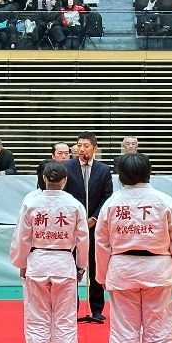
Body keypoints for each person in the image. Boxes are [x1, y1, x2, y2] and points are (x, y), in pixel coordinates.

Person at [95, 153, 172, 343]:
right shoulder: (164, 200)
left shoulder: (113, 203)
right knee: (159, 326)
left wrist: (103, 276)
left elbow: (102, 242)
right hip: (157, 268)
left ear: (122, 176)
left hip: (122, 268)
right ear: (148, 172)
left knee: (124, 327)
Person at [8, 160, 87, 343]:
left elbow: (22, 237)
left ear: (44, 179)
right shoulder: (74, 205)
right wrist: (81, 267)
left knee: (38, 314)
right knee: (64, 316)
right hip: (63, 262)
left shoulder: (32, 204)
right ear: (65, 180)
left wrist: (22, 263)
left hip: (38, 260)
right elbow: (83, 240)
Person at [61, 132, 113, 324]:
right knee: (72, 266)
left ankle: (97, 308)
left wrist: (94, 217)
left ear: (94, 148)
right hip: (73, 227)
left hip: (94, 225)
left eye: (85, 146)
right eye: (79, 145)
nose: (81, 149)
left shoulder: (103, 169)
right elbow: (63, 195)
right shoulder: (67, 167)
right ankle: (71, 307)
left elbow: (107, 197)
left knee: (95, 265)